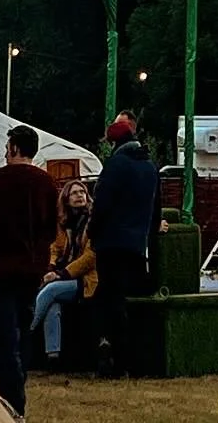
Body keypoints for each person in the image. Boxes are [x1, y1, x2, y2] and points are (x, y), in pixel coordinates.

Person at [0, 124, 59, 415]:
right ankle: (18, 383)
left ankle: (11, 401)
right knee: (24, 328)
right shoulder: (46, 183)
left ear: (13, 148)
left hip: (0, 268)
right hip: (30, 270)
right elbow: (50, 228)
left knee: (4, 335)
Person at [89, 114, 162, 377]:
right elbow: (156, 210)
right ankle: (126, 359)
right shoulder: (150, 167)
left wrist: (92, 233)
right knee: (121, 298)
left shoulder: (116, 164)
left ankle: (111, 357)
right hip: (136, 245)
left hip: (111, 242)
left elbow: (102, 204)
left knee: (107, 298)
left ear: (114, 142)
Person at [32, 179, 96, 362]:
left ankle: (24, 333)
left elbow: (90, 258)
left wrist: (60, 274)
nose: (79, 196)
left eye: (82, 192)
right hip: (64, 275)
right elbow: (56, 249)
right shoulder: (64, 223)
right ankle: (53, 355)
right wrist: (51, 267)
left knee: (50, 290)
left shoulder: (92, 223)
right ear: (66, 199)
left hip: (85, 278)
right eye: (74, 193)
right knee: (52, 305)